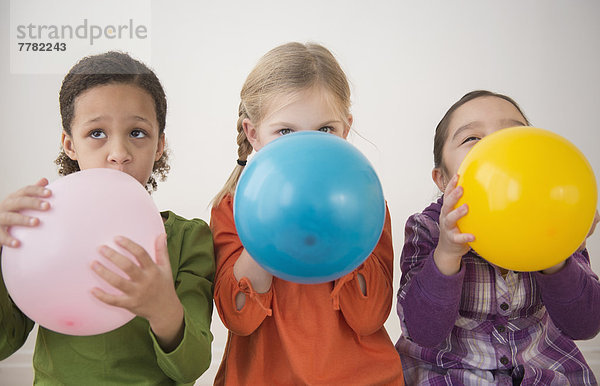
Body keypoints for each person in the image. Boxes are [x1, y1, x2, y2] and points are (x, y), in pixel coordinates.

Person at [0, 51, 215, 385]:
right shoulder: (38, 233)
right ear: (70, 145)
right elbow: (4, 343)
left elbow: (192, 366)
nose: (119, 153)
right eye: (97, 133)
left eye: (138, 133)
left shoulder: (189, 238)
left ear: (159, 145)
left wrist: (162, 309)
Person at [210, 42, 404, 385]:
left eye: (325, 129)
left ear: (345, 130)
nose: (307, 147)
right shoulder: (230, 208)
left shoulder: (366, 203)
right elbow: (239, 319)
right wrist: (266, 228)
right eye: (285, 131)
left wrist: (346, 224)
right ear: (253, 134)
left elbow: (370, 316)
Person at [395, 89, 600, 385]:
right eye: (472, 139)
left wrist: (557, 256)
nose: (496, 146)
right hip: (448, 371)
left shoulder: (556, 222)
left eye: (513, 135)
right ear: (442, 178)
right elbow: (421, 331)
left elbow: (584, 325)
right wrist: (447, 253)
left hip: (541, 366)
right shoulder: (427, 227)